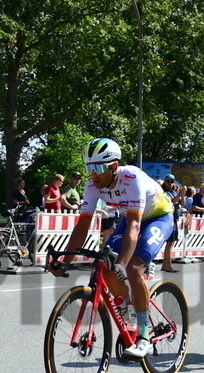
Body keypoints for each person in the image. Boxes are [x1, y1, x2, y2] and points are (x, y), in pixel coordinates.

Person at [48, 138, 174, 358]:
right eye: (89, 168)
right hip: (130, 218)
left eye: (97, 168)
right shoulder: (92, 185)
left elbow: (135, 225)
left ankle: (144, 337)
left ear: (114, 166)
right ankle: (129, 311)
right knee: (104, 264)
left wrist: (123, 264)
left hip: (157, 218)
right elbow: (83, 225)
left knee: (133, 268)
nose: (93, 174)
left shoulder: (131, 177)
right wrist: (65, 260)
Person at [160, 174, 186, 272]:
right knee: (169, 243)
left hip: (174, 219)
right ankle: (168, 265)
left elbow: (182, 203)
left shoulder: (174, 192)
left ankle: (165, 264)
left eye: (172, 182)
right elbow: (171, 201)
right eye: (168, 181)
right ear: (165, 182)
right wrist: (180, 194)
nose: (170, 184)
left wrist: (182, 194)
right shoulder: (163, 192)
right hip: (168, 219)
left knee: (171, 243)